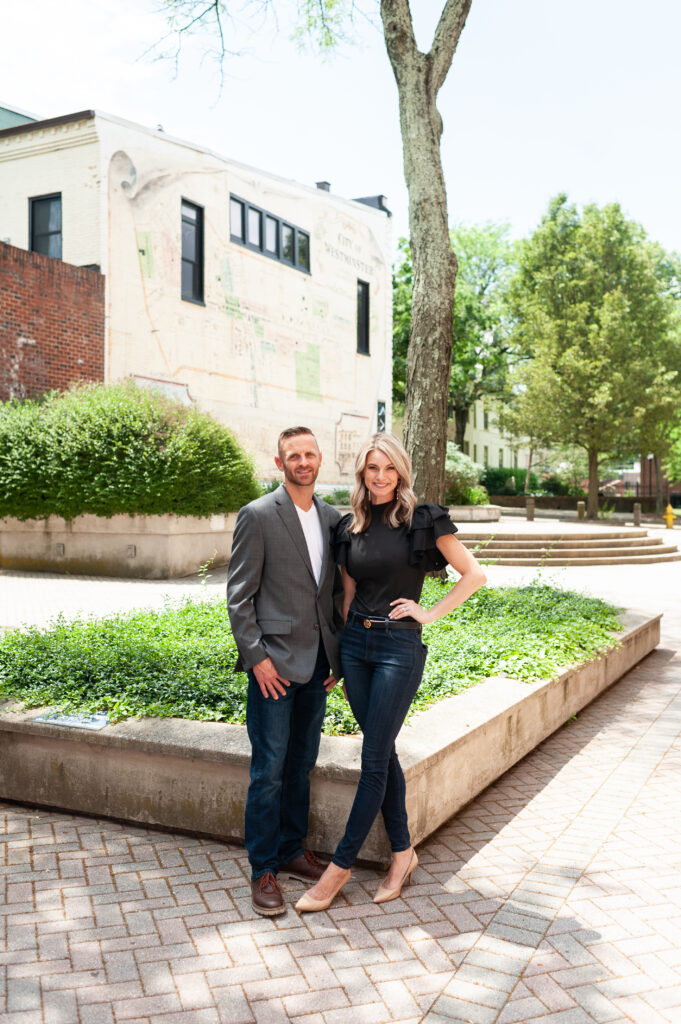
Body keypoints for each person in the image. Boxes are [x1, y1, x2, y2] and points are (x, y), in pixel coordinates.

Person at [295, 432, 486, 913]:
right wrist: (337, 657)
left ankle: (339, 868)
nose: (380, 477)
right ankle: (403, 854)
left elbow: (474, 574)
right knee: (382, 754)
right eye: (372, 469)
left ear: (400, 472)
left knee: (373, 759)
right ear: (361, 472)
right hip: (356, 646)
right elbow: (346, 594)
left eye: (389, 469)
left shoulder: (422, 520)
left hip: (399, 646)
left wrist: (428, 613)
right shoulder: (349, 525)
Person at [227, 426, 342, 916]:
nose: (302, 461)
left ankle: (294, 849)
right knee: (269, 770)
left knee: (302, 764)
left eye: (309, 454)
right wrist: (259, 660)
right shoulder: (258, 515)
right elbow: (239, 597)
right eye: (293, 455)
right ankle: (264, 869)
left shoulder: (333, 518)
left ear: (320, 460)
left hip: (318, 666)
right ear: (280, 464)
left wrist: (335, 657)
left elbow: (332, 594)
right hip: (273, 667)